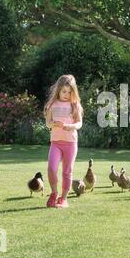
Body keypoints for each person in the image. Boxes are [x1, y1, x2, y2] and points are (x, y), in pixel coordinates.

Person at [43, 74, 83, 208]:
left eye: (69, 92)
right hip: (56, 143)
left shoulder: (75, 105)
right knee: (51, 168)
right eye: (63, 91)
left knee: (67, 171)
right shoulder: (51, 104)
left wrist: (68, 126)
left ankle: (63, 199)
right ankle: (54, 193)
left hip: (70, 144)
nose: (66, 94)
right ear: (58, 90)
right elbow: (48, 123)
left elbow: (79, 124)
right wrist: (53, 124)